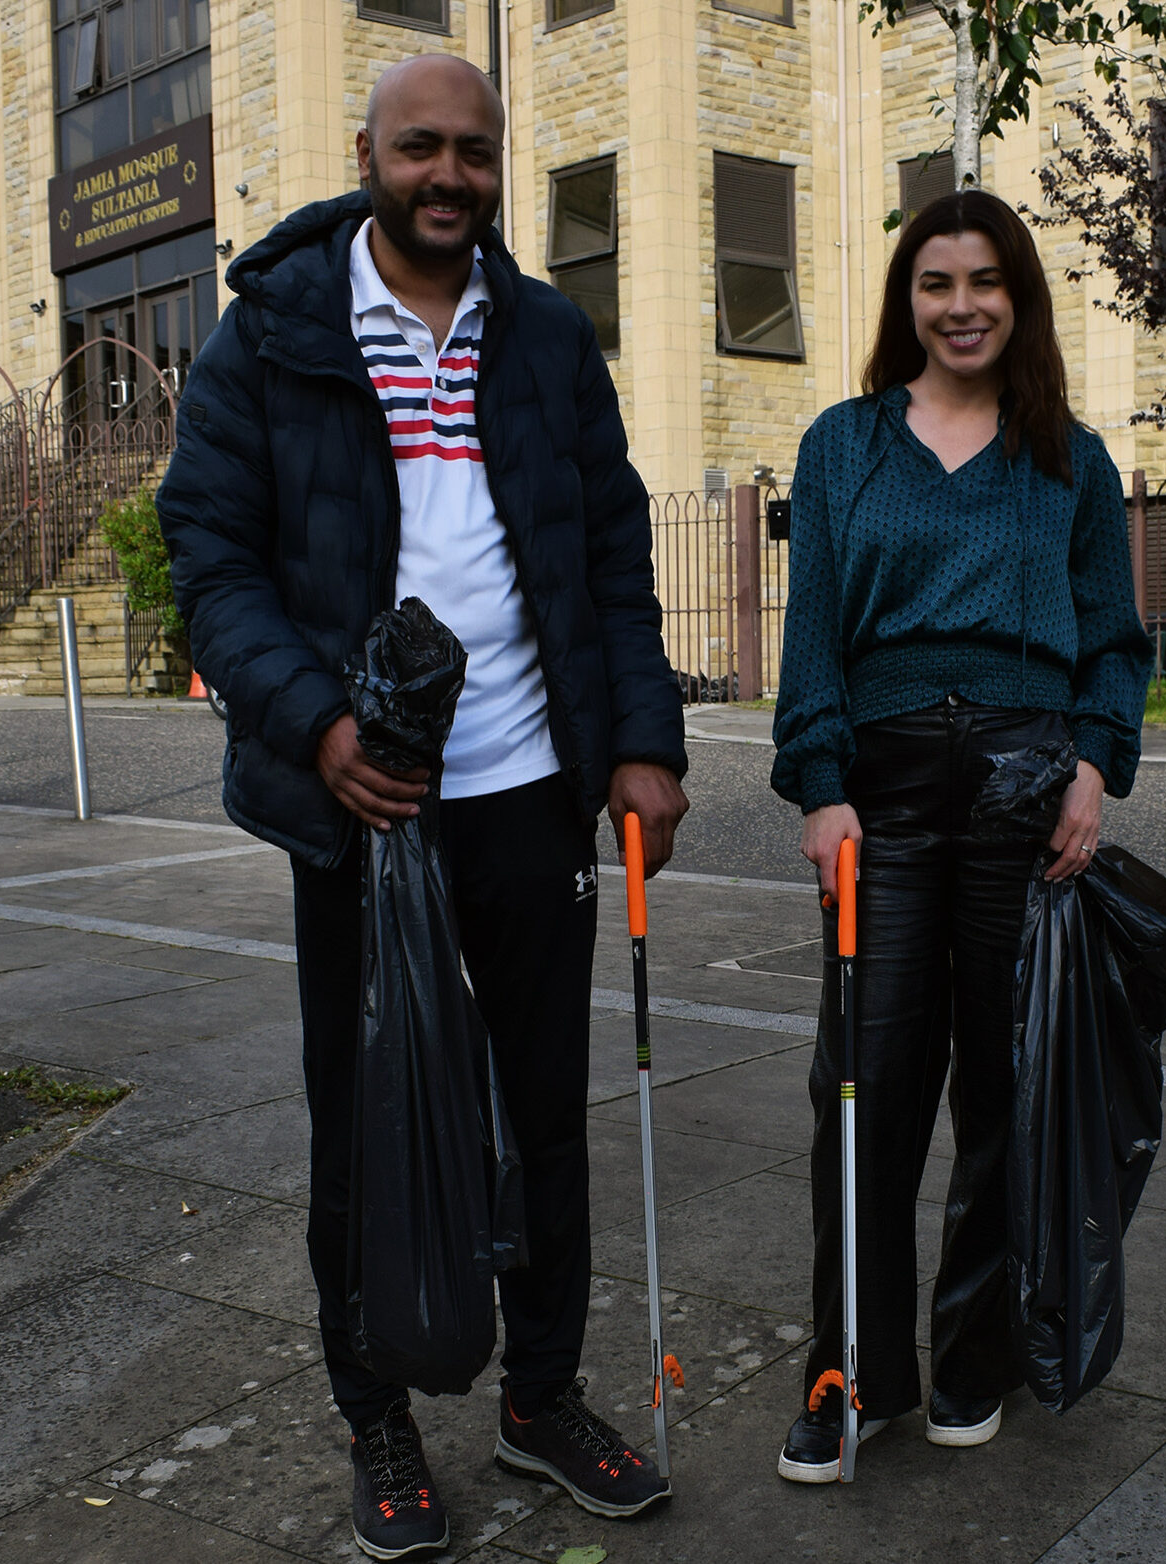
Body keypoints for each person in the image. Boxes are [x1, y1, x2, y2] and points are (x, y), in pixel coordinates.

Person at [157, 53, 689, 1562]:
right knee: (370, 1121)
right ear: (368, 153)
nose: (447, 175)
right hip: (366, 804)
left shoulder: (548, 338)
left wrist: (643, 745)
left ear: (495, 161)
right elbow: (212, 561)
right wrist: (318, 724)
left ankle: (540, 1398)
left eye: (472, 151)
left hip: (529, 785)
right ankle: (379, 1421)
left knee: (545, 1117)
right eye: (419, 149)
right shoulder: (270, 339)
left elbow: (612, 556)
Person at [768, 188, 1155, 1482]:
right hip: (878, 793)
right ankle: (854, 1373)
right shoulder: (844, 448)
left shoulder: (1070, 463)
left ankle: (976, 1355)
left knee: (1003, 1089)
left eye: (985, 281)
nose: (961, 305)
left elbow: (1113, 642)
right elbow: (812, 632)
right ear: (907, 301)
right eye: (936, 283)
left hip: (1022, 792)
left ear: (1019, 297)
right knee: (863, 1091)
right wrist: (821, 788)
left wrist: (1094, 768)